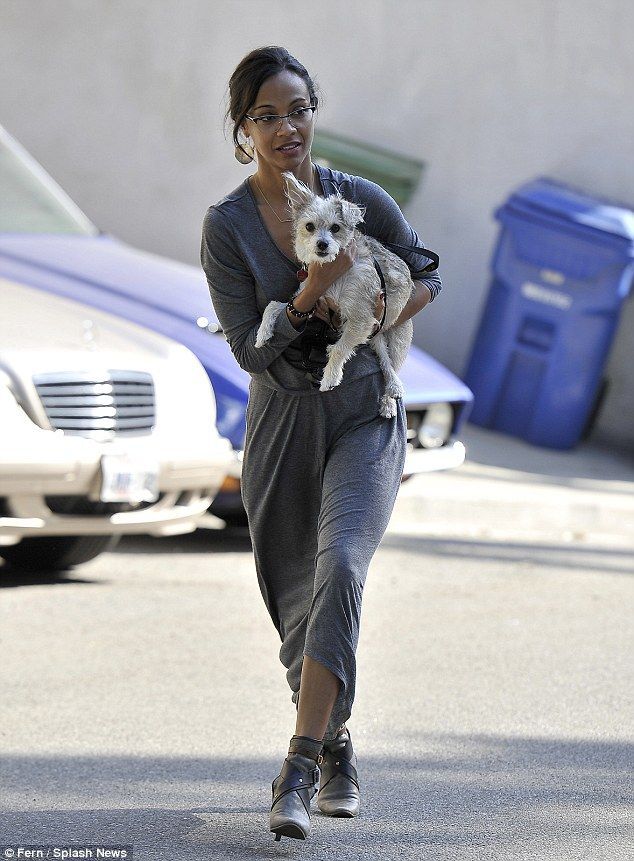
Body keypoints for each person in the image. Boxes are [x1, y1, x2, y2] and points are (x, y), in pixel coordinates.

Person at [200, 46, 442, 842]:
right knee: (298, 605)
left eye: (298, 110)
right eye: (267, 115)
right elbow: (250, 350)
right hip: (283, 426)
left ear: (314, 115)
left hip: (366, 408)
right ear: (244, 129)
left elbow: (428, 274)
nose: (287, 128)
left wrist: (374, 313)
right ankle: (337, 742)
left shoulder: (358, 198)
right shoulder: (228, 227)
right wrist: (312, 290)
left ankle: (298, 767)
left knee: (342, 563)